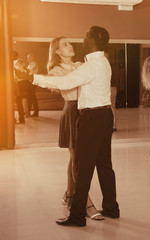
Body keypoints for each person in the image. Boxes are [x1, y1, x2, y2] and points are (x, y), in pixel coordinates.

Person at [34, 26, 119, 227]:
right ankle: (111, 207)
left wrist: (33, 78)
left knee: (82, 166)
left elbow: (67, 82)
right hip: (104, 114)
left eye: (86, 36)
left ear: (94, 41)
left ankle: (77, 215)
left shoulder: (90, 65)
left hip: (92, 117)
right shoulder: (101, 61)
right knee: (104, 164)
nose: (82, 39)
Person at [46, 36, 104, 220]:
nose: (70, 46)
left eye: (70, 43)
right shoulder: (55, 71)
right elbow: (63, 85)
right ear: (57, 51)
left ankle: (70, 195)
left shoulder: (81, 64)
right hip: (71, 112)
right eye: (65, 45)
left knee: (76, 159)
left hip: (85, 111)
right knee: (78, 160)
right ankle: (86, 203)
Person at [105, 51, 118, 131]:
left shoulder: (107, 67)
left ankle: (111, 125)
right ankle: (114, 125)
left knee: (109, 107)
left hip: (109, 88)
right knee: (113, 107)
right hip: (113, 88)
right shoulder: (113, 66)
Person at [26, 53, 39, 117]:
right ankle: (28, 111)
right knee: (30, 97)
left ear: (33, 57)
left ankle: (36, 112)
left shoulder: (34, 63)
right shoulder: (29, 65)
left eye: (30, 57)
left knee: (32, 97)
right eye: (28, 57)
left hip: (32, 82)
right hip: (29, 82)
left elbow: (30, 72)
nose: (28, 59)